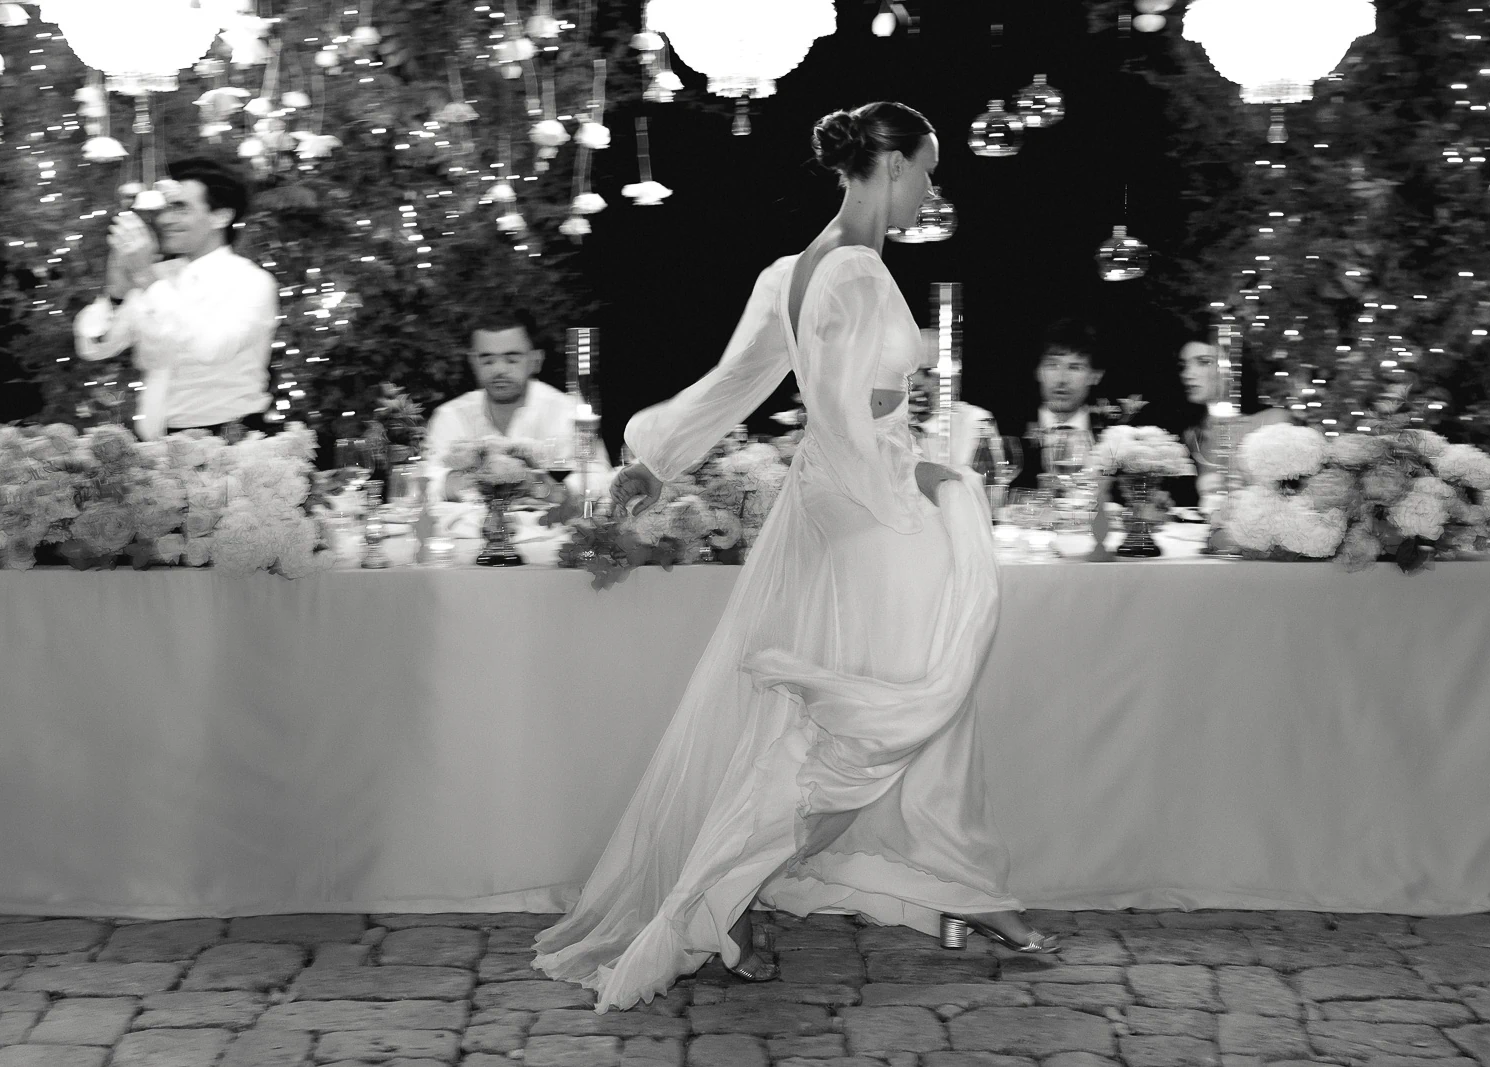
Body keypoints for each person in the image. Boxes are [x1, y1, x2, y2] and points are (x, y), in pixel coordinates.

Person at [533, 101, 1053, 1015]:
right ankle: (725, 897)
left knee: (888, 710)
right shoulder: (853, 273)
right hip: (866, 511)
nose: (932, 189)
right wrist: (919, 480)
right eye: (928, 170)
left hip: (831, 506)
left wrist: (650, 465)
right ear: (889, 164)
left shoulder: (795, 269)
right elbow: (851, 420)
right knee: (884, 712)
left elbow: (733, 384)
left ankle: (957, 891)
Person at [74, 157, 278, 440]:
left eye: (180, 208)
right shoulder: (157, 276)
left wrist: (146, 277)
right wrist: (116, 293)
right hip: (159, 445)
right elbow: (96, 349)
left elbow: (212, 348)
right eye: (165, 208)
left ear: (221, 216)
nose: (165, 219)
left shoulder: (252, 282)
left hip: (235, 444)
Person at [421, 311, 612, 502]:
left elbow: (598, 476)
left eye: (512, 359)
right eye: (487, 360)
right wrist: (460, 482)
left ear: (535, 360)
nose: (499, 370)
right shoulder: (450, 416)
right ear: (473, 362)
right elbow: (423, 481)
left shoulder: (567, 411)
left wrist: (543, 487)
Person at [1177, 338, 1291, 510]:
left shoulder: (1273, 422)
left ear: (1232, 367)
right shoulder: (1193, 433)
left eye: (1204, 362)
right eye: (1184, 365)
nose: (1187, 374)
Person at [1013, 327, 1106, 491]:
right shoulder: (1011, 431)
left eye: (1075, 367)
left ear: (1095, 376)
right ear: (1038, 372)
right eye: (1052, 365)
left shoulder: (1111, 436)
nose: (1062, 379)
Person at [907, 364, 1002, 473]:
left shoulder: (975, 421)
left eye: (926, 372)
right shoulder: (893, 426)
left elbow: (995, 479)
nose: (919, 382)